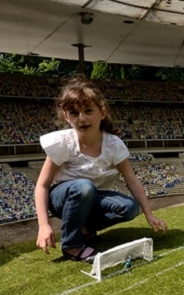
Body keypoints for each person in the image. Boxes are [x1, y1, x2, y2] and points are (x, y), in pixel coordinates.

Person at [34, 76, 167, 262]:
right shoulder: (62, 142)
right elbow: (42, 185)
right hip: (62, 198)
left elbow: (132, 180)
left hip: (92, 197)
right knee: (83, 187)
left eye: (88, 110)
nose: (82, 118)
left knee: (130, 208)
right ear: (66, 116)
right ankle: (72, 246)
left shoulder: (113, 145)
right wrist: (43, 225)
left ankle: (85, 228)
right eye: (74, 113)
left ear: (102, 112)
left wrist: (148, 213)